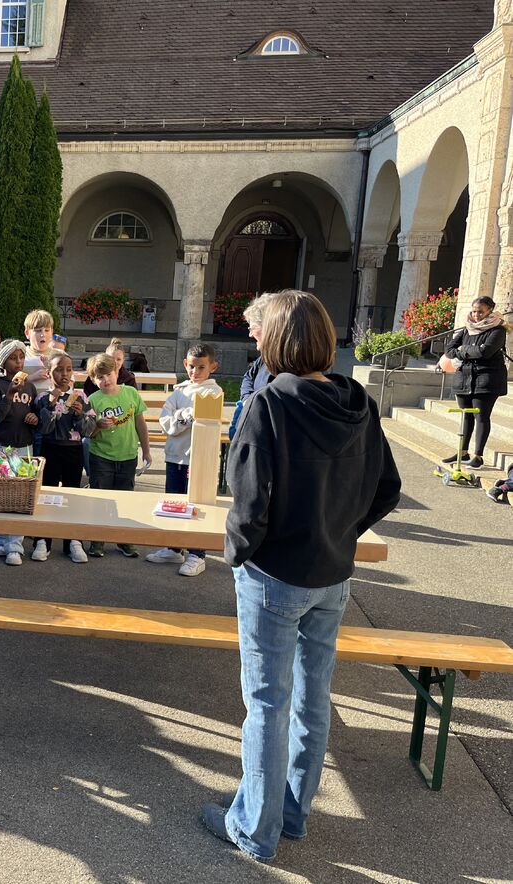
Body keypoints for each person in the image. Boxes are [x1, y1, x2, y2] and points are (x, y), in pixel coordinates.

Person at [203, 290, 401, 863]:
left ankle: (255, 829)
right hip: (331, 574)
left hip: (275, 575)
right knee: (312, 697)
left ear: (278, 340)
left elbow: (248, 504)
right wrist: (340, 530)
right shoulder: (357, 402)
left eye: (261, 331)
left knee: (268, 703)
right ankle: (291, 816)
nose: (256, 340)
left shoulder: (269, 404)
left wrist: (238, 553)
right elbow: (386, 488)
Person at [146, 344, 222, 577]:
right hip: (174, 456)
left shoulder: (214, 392)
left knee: (197, 505)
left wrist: (183, 417)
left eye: (201, 367)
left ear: (212, 367)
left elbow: (207, 419)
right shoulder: (179, 392)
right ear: (185, 365)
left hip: (199, 459)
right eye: (191, 366)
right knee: (174, 501)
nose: (195, 372)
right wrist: (187, 415)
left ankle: (197, 554)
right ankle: (173, 547)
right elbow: (167, 424)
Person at [85, 351, 151, 559]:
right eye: (100, 377)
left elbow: (140, 424)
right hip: (101, 456)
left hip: (127, 455)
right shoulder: (93, 400)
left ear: (117, 372)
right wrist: (98, 425)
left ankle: (124, 539)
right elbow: (88, 433)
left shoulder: (130, 393)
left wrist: (146, 451)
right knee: (100, 498)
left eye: (109, 374)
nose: (106, 380)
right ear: (93, 380)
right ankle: (97, 539)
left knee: (124, 500)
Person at [0, 339, 42, 566]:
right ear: (2, 362)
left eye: (21, 357)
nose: (19, 362)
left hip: (24, 446)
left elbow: (34, 415)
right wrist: (8, 395)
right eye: (13, 358)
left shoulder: (30, 387)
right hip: (0, 445)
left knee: (20, 496)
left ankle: (15, 546)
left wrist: (34, 418)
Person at [35, 351, 94, 564]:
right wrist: (51, 406)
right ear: (49, 373)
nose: (64, 374)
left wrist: (80, 415)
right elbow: (43, 428)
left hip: (73, 450)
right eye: (59, 370)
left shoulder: (82, 397)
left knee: (72, 495)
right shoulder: (42, 398)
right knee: (46, 495)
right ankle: (43, 540)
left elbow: (88, 430)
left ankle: (73, 541)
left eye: (68, 369)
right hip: (50, 448)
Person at [443, 296, 508, 467]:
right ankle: (463, 452)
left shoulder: (497, 329)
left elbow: (485, 352)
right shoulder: (467, 329)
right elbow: (449, 350)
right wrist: (469, 351)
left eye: (480, 311)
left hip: (487, 380)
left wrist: (462, 350)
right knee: (466, 415)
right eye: (474, 311)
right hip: (464, 378)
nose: (476, 315)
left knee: (481, 416)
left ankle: (478, 456)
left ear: (490, 311)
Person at [240, 298, 273, 401]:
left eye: (253, 328)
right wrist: (247, 399)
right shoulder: (263, 358)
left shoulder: (290, 364)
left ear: (269, 327)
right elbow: (248, 378)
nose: (250, 335)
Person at [22, 309, 57, 401]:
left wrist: (51, 370)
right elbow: (11, 383)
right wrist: (32, 377)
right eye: (38, 331)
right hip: (26, 404)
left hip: (53, 405)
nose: (43, 334)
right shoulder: (20, 356)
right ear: (27, 333)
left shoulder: (60, 356)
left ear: (52, 332)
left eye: (47, 330)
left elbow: (68, 384)